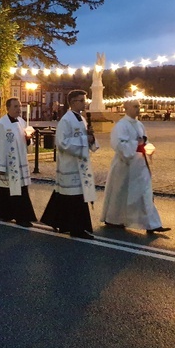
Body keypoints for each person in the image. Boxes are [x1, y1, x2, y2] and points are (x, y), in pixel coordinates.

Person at [100, 100, 171, 234]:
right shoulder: (121, 125)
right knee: (120, 193)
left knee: (145, 192)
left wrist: (148, 147)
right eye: (135, 106)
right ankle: (114, 219)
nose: (138, 109)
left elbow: (144, 141)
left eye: (139, 106)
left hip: (139, 165)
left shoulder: (139, 124)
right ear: (126, 108)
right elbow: (118, 144)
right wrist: (136, 145)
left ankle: (152, 224)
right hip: (125, 164)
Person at [40, 90, 99, 239]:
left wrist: (91, 139)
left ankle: (57, 220)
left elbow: (85, 138)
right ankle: (77, 229)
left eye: (84, 100)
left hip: (80, 164)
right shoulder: (65, 120)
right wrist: (84, 141)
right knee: (74, 197)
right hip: (70, 165)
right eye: (81, 100)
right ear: (72, 102)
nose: (84, 103)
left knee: (69, 196)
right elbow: (61, 143)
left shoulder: (82, 119)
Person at [0, 98, 37, 227]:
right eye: (15, 106)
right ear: (7, 108)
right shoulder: (1, 124)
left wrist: (28, 139)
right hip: (9, 163)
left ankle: (0, 211)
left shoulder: (21, 122)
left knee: (9, 190)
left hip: (20, 162)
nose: (18, 109)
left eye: (19, 106)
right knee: (15, 190)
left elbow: (25, 143)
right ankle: (22, 217)